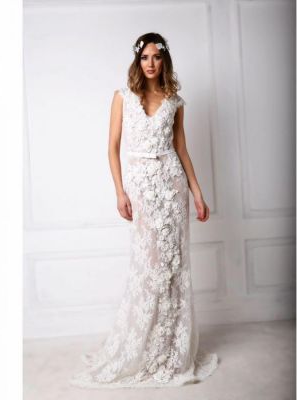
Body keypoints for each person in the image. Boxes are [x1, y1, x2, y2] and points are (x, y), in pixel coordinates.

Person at [69, 32, 219, 389]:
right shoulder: (122, 97)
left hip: (172, 187)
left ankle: (169, 347)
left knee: (172, 265)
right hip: (141, 189)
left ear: (164, 60)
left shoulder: (175, 102)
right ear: (138, 61)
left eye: (157, 56)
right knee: (148, 264)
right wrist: (119, 192)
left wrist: (198, 194)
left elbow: (181, 149)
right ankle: (143, 344)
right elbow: (112, 147)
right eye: (145, 57)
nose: (151, 63)